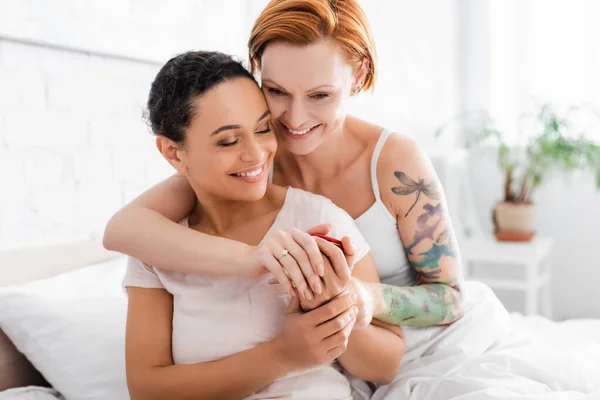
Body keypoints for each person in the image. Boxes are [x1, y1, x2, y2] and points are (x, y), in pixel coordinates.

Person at [105, 0, 464, 331]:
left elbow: (452, 297)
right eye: (276, 91)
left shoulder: (394, 161)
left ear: (358, 76)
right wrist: (253, 259)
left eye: (320, 95)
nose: (294, 119)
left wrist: (365, 296)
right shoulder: (255, 160)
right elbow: (121, 229)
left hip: (416, 345)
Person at [123, 50, 404, 399]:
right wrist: (282, 355)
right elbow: (147, 390)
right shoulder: (157, 246)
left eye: (262, 129)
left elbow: (386, 366)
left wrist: (334, 306)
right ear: (173, 153)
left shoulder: (317, 219)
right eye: (228, 141)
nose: (256, 154)